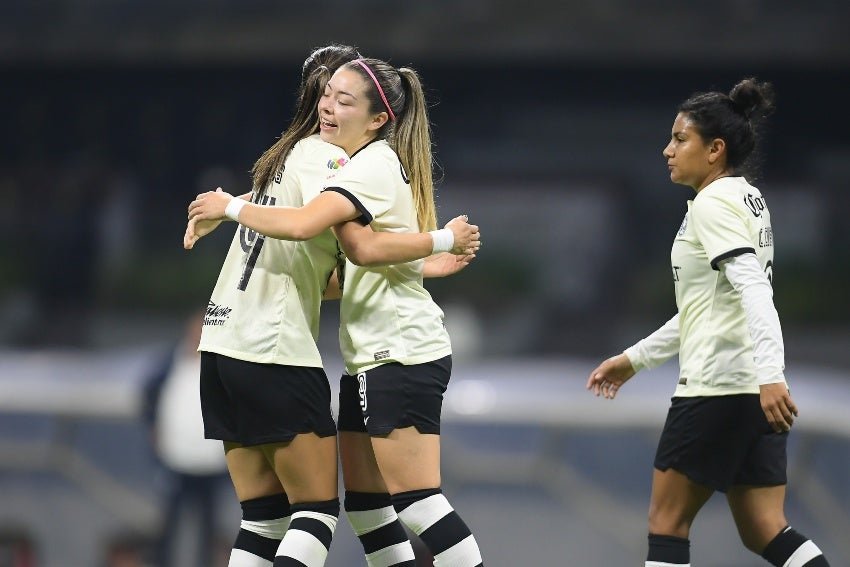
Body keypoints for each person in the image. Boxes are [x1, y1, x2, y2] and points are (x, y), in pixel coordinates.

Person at [185, 45, 480, 567]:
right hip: (305, 352)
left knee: (384, 506)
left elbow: (347, 250)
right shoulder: (329, 158)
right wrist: (434, 248)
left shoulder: (301, 161)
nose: (329, 105)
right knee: (345, 512)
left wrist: (230, 207)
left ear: (376, 118)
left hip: (341, 350)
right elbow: (341, 263)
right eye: (327, 92)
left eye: (343, 98)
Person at [586, 78, 830, 567]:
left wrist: (771, 374)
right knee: (765, 528)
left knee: (666, 522)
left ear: (715, 149)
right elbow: (709, 306)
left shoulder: (712, 205)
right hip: (750, 390)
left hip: (718, 388)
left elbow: (755, 291)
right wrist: (635, 359)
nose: (667, 150)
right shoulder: (746, 199)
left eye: (680, 139)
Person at [142, 309, 229, 567]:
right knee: (168, 524)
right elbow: (148, 395)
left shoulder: (225, 364)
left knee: (207, 526)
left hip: (210, 463)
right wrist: (153, 426)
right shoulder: (170, 361)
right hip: (175, 459)